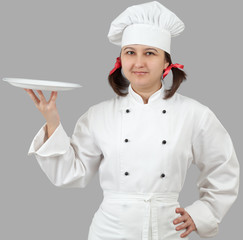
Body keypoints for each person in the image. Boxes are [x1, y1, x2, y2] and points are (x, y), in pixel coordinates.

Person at [25, 1, 240, 240]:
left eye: (150, 53)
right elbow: (71, 173)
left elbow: (224, 168)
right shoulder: (98, 115)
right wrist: (52, 121)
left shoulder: (195, 114)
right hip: (109, 231)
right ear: (120, 60)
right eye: (130, 52)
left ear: (167, 63)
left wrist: (203, 213)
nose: (138, 62)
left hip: (168, 230)